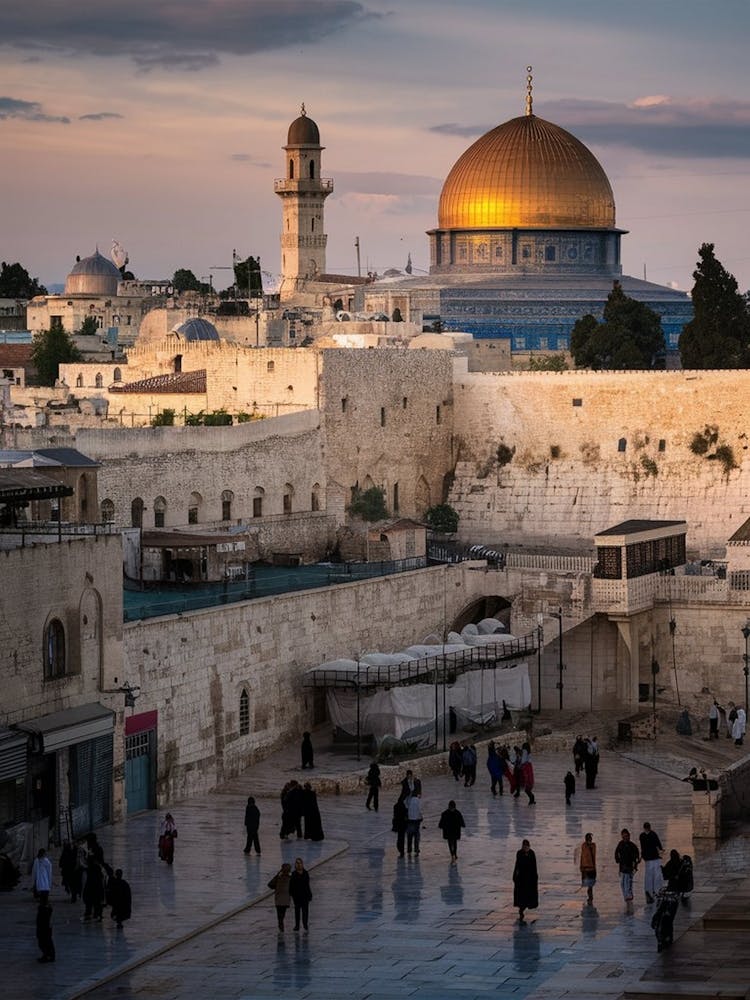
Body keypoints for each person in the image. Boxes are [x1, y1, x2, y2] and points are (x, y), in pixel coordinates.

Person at [512, 839, 539, 922]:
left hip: (530, 879)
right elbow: (517, 865)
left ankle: (526, 907)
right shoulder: (519, 853)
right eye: (524, 846)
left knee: (528, 895)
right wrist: (514, 876)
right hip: (521, 879)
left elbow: (534, 866)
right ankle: (521, 910)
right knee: (521, 896)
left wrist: (535, 877)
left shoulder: (532, 853)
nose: (525, 848)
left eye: (526, 846)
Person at [614, 828, 640, 910]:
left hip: (629, 868)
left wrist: (635, 865)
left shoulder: (632, 845)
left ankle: (629, 899)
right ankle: (626, 898)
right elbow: (616, 852)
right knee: (622, 884)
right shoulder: (620, 844)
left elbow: (636, 855)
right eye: (623, 836)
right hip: (622, 868)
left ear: (629, 836)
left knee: (628, 884)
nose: (625, 838)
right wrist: (617, 860)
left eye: (626, 836)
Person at [639, 821, 664, 903]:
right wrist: (660, 849)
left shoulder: (643, 835)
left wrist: (642, 855)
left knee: (649, 875)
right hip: (653, 857)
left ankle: (650, 890)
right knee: (654, 875)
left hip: (649, 857)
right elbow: (658, 843)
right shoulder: (652, 834)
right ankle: (653, 890)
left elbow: (642, 847)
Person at [438, 799, 465, 864]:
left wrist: (441, 826)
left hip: (448, 831)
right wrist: (463, 824)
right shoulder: (457, 813)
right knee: (454, 842)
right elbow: (461, 821)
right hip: (455, 831)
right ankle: (454, 854)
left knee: (450, 843)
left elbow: (441, 823)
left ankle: (452, 854)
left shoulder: (445, 813)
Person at [289, 857, 312, 931]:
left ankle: (305, 924)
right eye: (297, 863)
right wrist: (291, 894)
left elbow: (307, 885)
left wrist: (309, 894)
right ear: (295, 865)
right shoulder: (293, 874)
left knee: (305, 911)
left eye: (300, 863)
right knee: (297, 911)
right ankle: (297, 925)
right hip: (297, 896)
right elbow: (291, 885)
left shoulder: (305, 873)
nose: (298, 865)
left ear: (302, 864)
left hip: (305, 896)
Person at [268, 862, 292, 932]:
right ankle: (281, 924)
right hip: (285, 899)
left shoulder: (279, 877)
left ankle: (280, 923)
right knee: (282, 913)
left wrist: (277, 875)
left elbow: (270, 885)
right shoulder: (290, 877)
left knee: (280, 913)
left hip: (278, 898)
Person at [82, 853, 106, 921]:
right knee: (96, 902)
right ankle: (96, 914)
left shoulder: (91, 869)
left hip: (91, 888)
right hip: (97, 888)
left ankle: (91, 914)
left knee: (90, 902)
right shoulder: (97, 868)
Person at [579, 832, 597, 903]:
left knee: (590, 885)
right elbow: (582, 857)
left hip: (592, 868)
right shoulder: (584, 846)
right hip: (586, 869)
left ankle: (590, 897)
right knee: (589, 885)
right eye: (589, 838)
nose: (590, 839)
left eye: (591, 838)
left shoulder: (593, 846)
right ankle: (590, 897)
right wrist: (581, 867)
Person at [405, 791, 423, 856]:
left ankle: (409, 851)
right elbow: (420, 809)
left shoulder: (408, 800)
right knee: (416, 835)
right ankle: (416, 850)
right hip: (416, 820)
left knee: (409, 836)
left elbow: (406, 807)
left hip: (409, 820)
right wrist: (421, 817)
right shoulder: (418, 800)